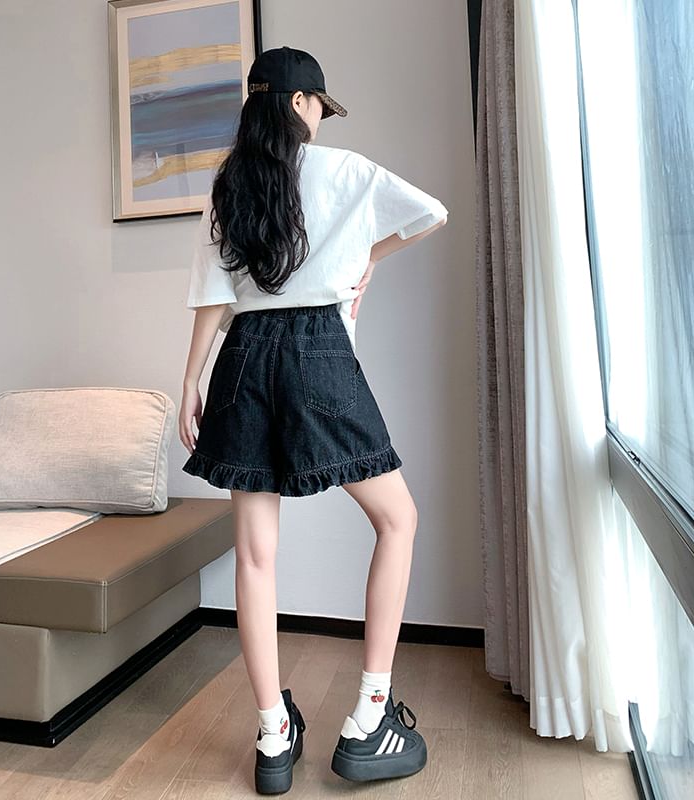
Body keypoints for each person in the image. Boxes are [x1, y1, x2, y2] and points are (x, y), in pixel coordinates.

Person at [178, 46, 449, 795]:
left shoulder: (230, 183)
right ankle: (369, 718)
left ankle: (273, 735)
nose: (321, 121)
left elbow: (214, 295)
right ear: (300, 103)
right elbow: (433, 213)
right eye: (319, 108)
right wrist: (370, 257)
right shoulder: (345, 171)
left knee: (254, 556)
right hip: (318, 351)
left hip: (242, 356)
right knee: (398, 520)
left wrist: (190, 380)